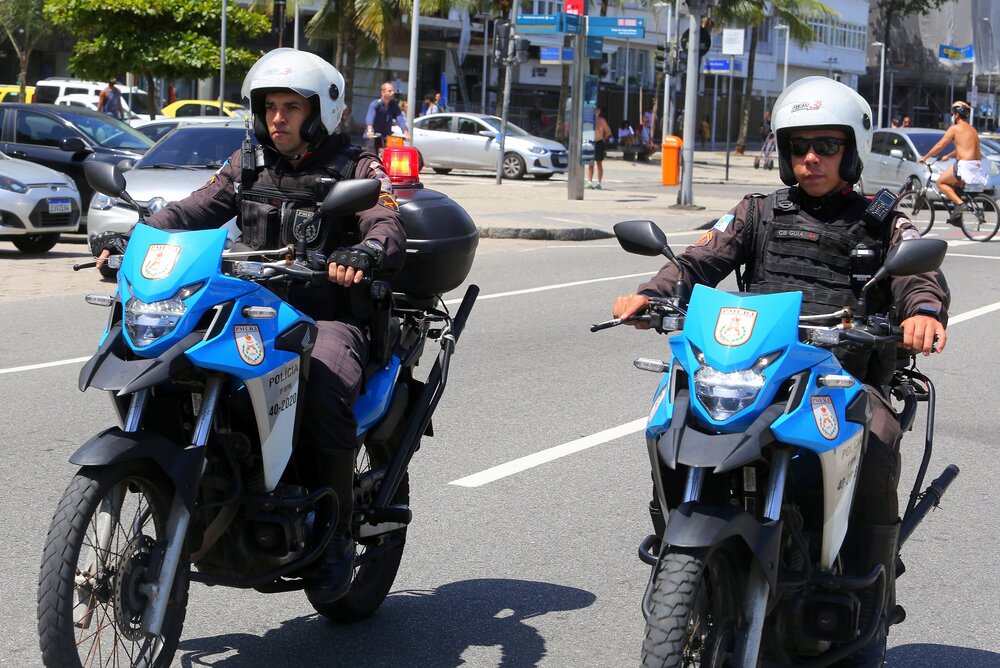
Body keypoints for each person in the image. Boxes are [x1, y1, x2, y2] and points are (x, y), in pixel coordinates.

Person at [612, 77, 948, 666]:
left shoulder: (881, 219)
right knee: (675, 412)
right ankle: (681, 545)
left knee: (880, 434)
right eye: (798, 146)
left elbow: (917, 274)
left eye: (825, 145)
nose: (811, 158)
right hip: (756, 364)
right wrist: (652, 292)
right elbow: (701, 257)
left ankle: (872, 594)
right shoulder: (758, 212)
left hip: (838, 371)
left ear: (853, 149)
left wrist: (922, 311)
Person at [96, 48, 407, 607]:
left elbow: (385, 219)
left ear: (320, 112)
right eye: (270, 107)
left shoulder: (356, 166)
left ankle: (335, 537)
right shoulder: (246, 164)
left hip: (325, 312)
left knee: (326, 389)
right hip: (252, 304)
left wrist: (363, 252)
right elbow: (190, 210)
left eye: (291, 107)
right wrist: (135, 237)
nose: (278, 119)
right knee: (175, 364)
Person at [918, 101, 986, 225]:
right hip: (976, 165)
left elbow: (940, 145)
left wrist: (925, 157)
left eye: (953, 113)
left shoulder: (955, 128)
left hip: (964, 165)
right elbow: (962, 148)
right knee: (956, 187)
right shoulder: (972, 130)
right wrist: (948, 156)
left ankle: (960, 205)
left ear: (957, 115)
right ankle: (957, 217)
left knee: (940, 182)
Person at [365, 82, 409, 151]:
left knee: (393, 155)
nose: (392, 93)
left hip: (386, 136)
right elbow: (370, 117)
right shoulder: (375, 104)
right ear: (383, 92)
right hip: (374, 136)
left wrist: (405, 132)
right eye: (390, 91)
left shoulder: (394, 106)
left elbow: (400, 118)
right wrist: (370, 130)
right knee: (372, 157)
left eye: (393, 91)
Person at [587, 106, 612, 190]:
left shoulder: (602, 121)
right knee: (590, 163)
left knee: (599, 163)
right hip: (590, 141)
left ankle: (599, 182)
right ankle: (589, 182)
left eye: (596, 110)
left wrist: (603, 138)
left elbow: (608, 132)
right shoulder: (589, 120)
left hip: (599, 142)